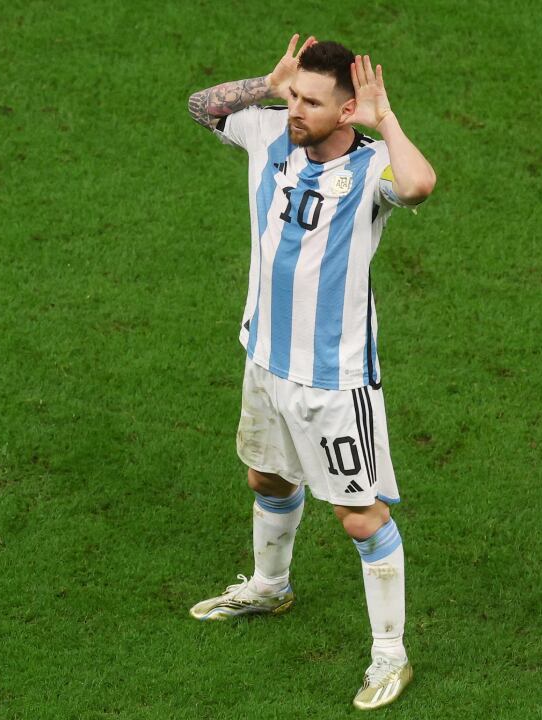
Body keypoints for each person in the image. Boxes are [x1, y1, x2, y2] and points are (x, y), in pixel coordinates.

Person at [185, 35, 437, 710]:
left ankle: (391, 653)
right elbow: (201, 107)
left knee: (359, 516)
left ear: (348, 110)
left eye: (311, 101)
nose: (296, 109)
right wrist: (267, 85)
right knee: (265, 475)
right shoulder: (269, 131)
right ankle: (272, 586)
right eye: (294, 95)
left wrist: (386, 120)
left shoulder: (375, 169)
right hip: (264, 357)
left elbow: (418, 186)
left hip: (333, 380)